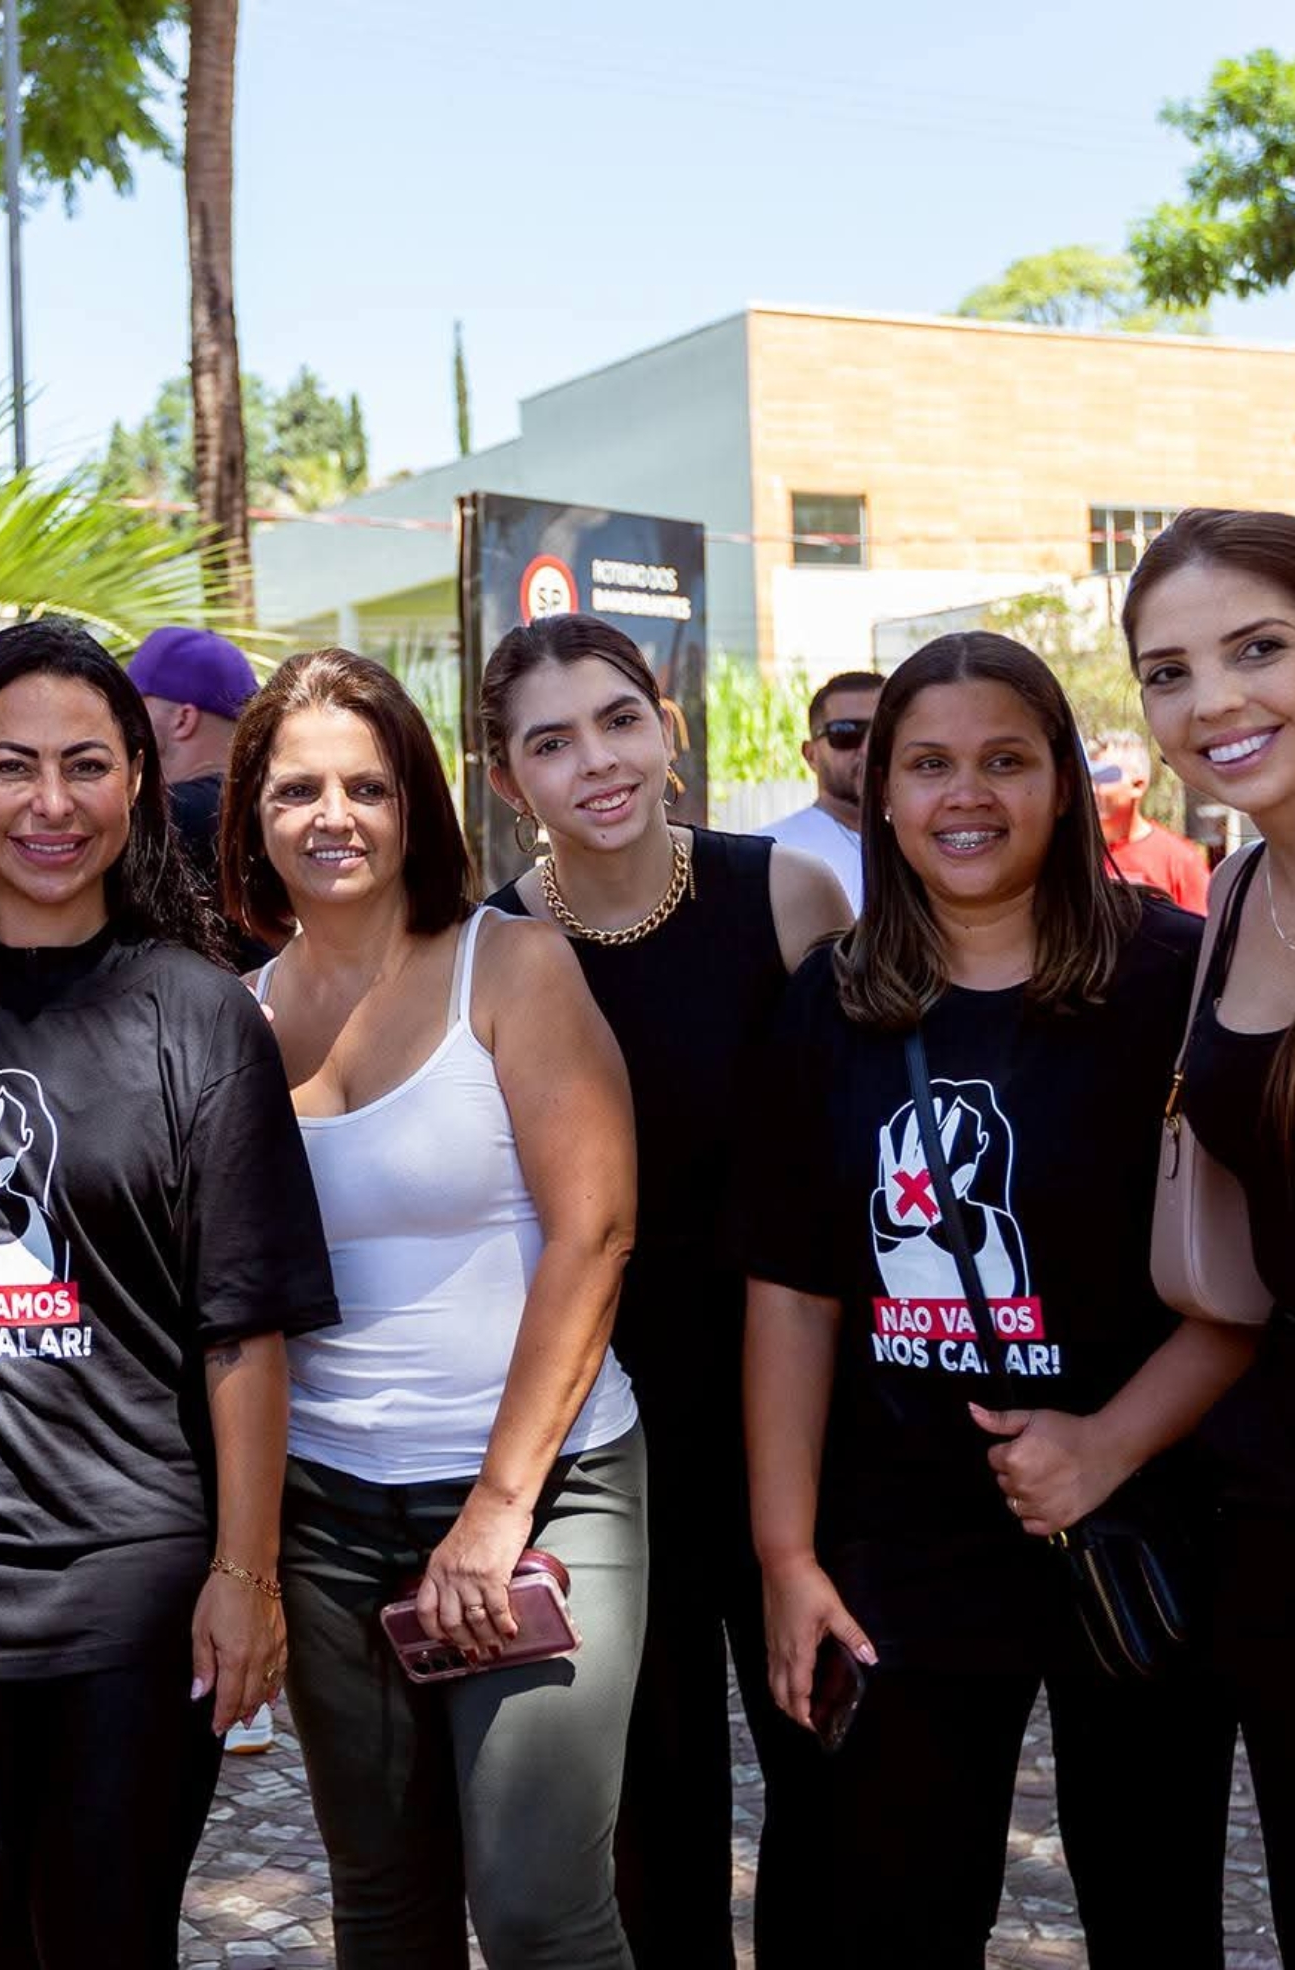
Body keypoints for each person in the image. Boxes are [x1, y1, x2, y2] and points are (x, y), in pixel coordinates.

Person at [0, 619, 338, 1969]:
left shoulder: (199, 1014)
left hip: (133, 1572)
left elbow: (242, 1325)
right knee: (7, 1922)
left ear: (138, 780)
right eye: (11, 764)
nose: (49, 802)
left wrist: (244, 1575)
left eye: (86, 763)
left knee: (105, 1926)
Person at [743, 632, 1247, 1970]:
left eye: (1004, 760)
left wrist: (1106, 1444)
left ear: (1065, 783)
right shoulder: (829, 1002)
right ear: (883, 792)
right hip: (896, 1540)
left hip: (1137, 1519)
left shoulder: (1175, 978)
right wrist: (786, 1559)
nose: (965, 794)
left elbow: (1247, 1275)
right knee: (895, 1919)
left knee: (1154, 1912)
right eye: (928, 763)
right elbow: (791, 1295)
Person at [221, 647, 647, 1970]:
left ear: (415, 802)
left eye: (366, 783)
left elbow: (597, 1231)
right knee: (383, 1903)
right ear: (250, 816)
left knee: (536, 1910)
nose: (333, 815)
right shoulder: (233, 1018)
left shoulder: (510, 966)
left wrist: (494, 1511)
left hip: (545, 1488)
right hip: (330, 1511)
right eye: (296, 790)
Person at [479, 611, 850, 1968]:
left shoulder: (789, 893)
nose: (597, 761)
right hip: (607, 1429)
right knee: (651, 1801)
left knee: (827, 1771)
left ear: (667, 728)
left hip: (801, 1405)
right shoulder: (499, 946)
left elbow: (855, 1147)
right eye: (550, 741)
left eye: (619, 719)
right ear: (508, 780)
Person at [1121, 506, 1295, 1949]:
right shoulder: (1233, 893)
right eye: (1169, 671)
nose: (1214, 700)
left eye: (1258, 647)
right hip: (1271, 1511)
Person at [130, 623, 271, 971]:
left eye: (134, 708)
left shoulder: (175, 814)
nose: (121, 725)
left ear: (183, 720)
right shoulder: (273, 805)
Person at [757, 669, 884, 910]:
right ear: (811, 754)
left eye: (882, 734)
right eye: (846, 733)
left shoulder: (933, 845)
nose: (868, 749)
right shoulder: (770, 854)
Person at [1086, 727, 1211, 911]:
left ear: (1138, 785)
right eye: (1087, 777)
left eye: (1103, 777)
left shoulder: (1180, 860)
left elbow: (1204, 934)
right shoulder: (1070, 853)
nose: (1091, 788)